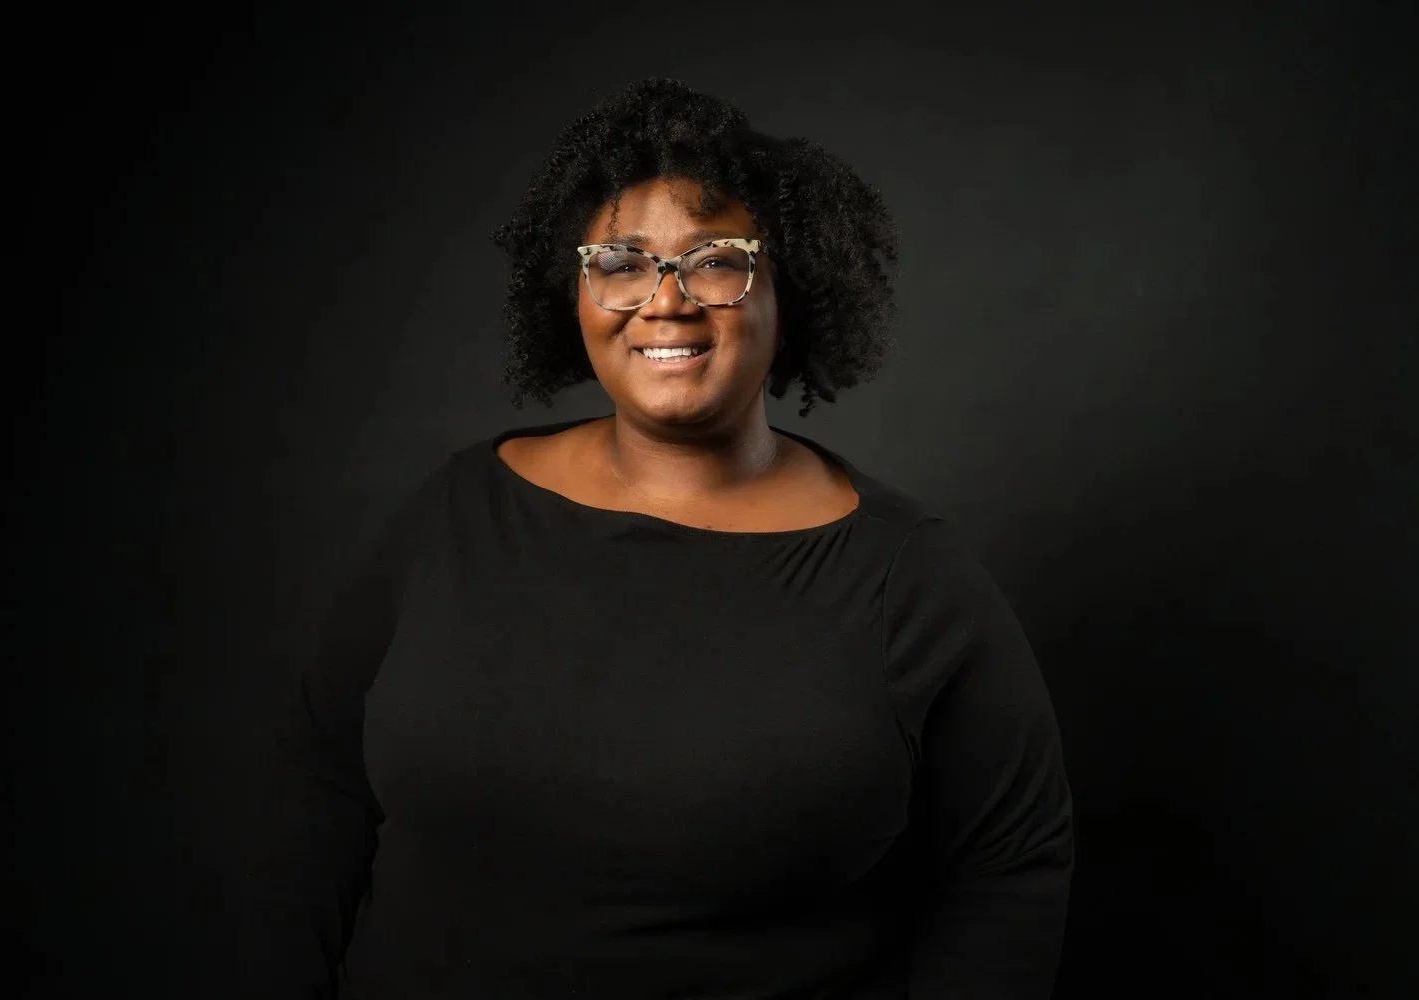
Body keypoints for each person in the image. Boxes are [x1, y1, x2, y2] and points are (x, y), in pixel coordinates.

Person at [240, 78, 1074, 999]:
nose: (665, 300)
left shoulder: (905, 578)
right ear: (579, 291)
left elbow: (1008, 869)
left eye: (717, 260)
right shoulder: (457, 509)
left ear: (786, 289)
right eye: (622, 261)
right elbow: (320, 784)